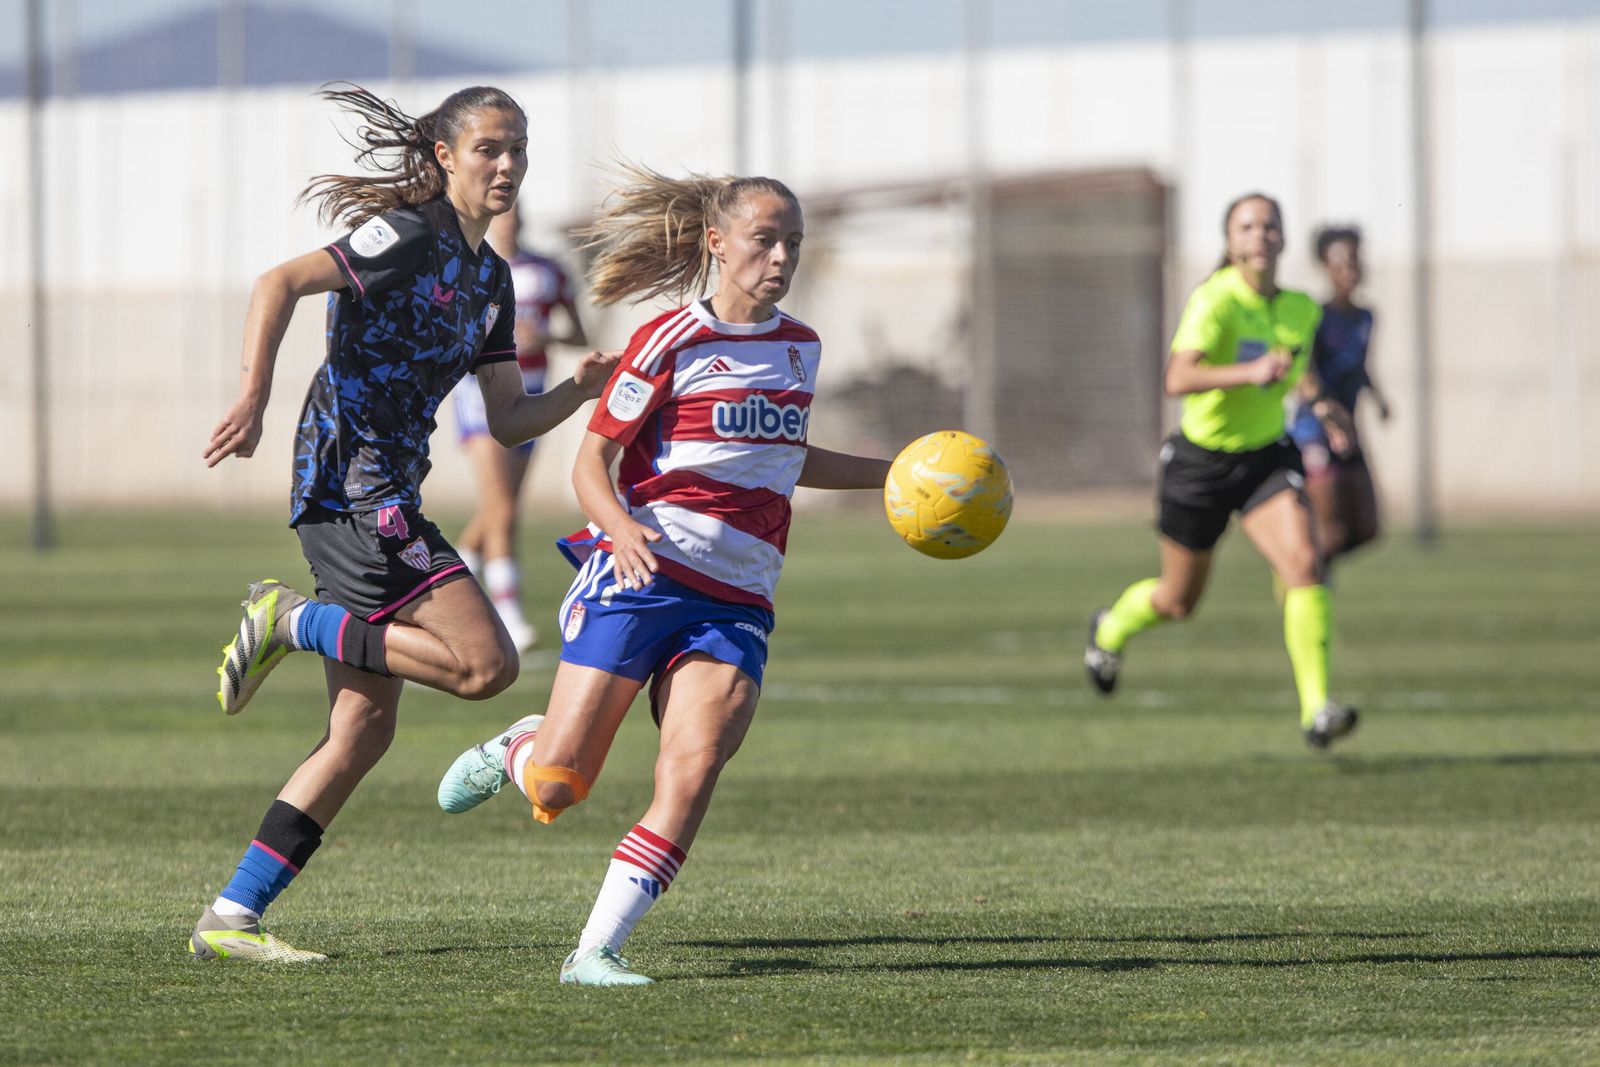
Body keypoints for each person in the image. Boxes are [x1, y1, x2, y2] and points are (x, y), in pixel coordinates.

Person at [434, 164, 892, 986]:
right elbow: (591, 464)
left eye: (793, 241)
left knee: (693, 765)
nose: (782, 256)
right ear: (718, 243)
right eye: (765, 239)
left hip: (740, 594)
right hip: (643, 571)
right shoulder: (668, 337)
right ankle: (520, 748)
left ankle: (595, 951)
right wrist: (620, 531)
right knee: (560, 781)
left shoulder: (801, 346)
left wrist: (898, 476)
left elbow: (786, 457)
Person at [192, 83, 616, 963]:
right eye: (490, 149)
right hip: (353, 488)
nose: (507, 165)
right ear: (444, 158)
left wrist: (577, 390)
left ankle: (230, 917)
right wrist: (255, 393)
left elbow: (506, 417)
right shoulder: (408, 233)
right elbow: (281, 281)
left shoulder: (491, 278)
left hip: (391, 490)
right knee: (487, 663)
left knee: (361, 732)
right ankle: (292, 619)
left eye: (519, 150)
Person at [1082, 192, 1360, 749]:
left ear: (1283, 238)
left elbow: (1299, 373)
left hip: (1263, 458)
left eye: (1270, 226)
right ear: (1230, 241)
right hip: (1199, 465)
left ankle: (1317, 711)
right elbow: (1178, 379)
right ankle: (1110, 629)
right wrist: (1249, 371)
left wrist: (1325, 406)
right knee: (1177, 602)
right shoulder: (1216, 301)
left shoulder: (1300, 309)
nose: (1260, 235)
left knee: (1306, 563)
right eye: (1247, 226)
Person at [451, 203, 589, 651]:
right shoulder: (469, 264)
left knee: (500, 506)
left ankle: (447, 580)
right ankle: (507, 614)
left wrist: (544, 335)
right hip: (481, 390)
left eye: (514, 217)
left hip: (534, 392)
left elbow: (579, 335)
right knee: (503, 509)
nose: (507, 225)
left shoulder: (547, 270)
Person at [1288, 224, 1390, 568]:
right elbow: (1306, 371)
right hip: (1315, 430)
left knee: (1366, 528)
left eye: (1355, 261)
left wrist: (1378, 399)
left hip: (1350, 428)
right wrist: (1324, 414)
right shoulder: (1315, 316)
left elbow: (1360, 366)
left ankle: (1307, 564)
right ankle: (1304, 577)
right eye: (1341, 263)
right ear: (1326, 268)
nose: (1350, 270)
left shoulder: (1366, 316)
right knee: (1329, 531)